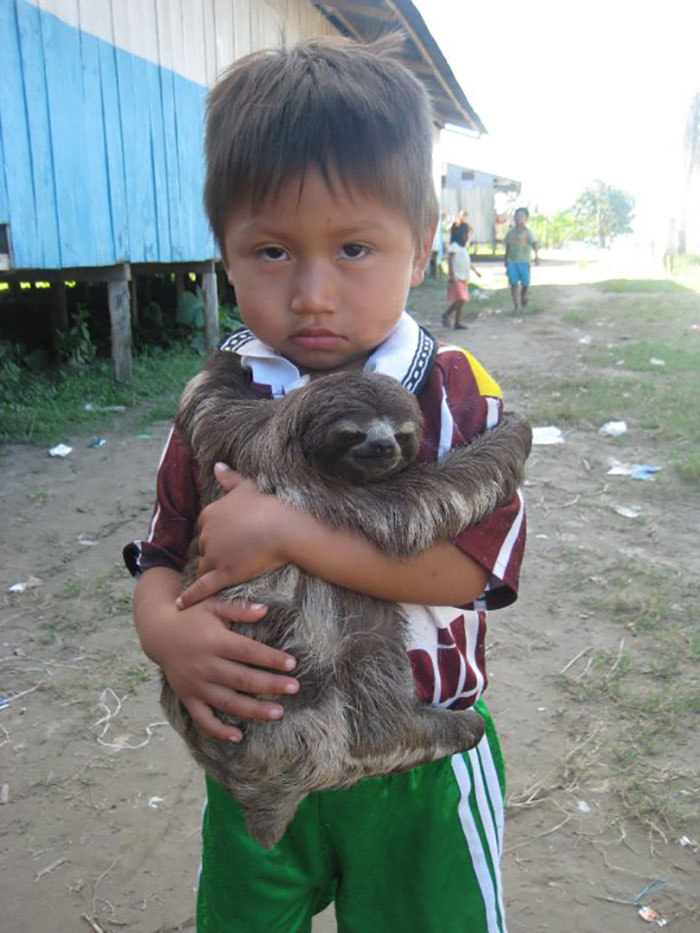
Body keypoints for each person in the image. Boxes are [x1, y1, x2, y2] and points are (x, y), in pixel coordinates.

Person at [125, 36, 525, 933]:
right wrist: (165, 630)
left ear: (421, 248)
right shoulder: (221, 394)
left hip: (415, 762)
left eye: (353, 247)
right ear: (225, 253)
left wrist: (290, 533)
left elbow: (476, 568)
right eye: (271, 251)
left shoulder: (453, 385)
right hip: (255, 756)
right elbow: (160, 547)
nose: (312, 293)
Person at [504, 207, 539, 311]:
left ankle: (523, 297)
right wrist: (505, 259)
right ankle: (516, 305)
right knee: (513, 283)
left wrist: (536, 257)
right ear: (514, 218)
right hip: (512, 261)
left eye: (522, 216)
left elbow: (535, 244)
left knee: (525, 283)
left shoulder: (528, 232)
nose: (519, 218)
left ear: (526, 218)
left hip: (524, 261)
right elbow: (508, 246)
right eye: (517, 216)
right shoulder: (510, 233)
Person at [441, 222, 471, 329]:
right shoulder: (454, 247)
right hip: (456, 277)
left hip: (463, 277)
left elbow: (466, 262)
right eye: (466, 233)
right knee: (461, 299)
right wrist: (452, 274)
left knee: (461, 301)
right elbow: (450, 261)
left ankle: (457, 321)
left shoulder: (463, 248)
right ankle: (447, 315)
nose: (467, 236)